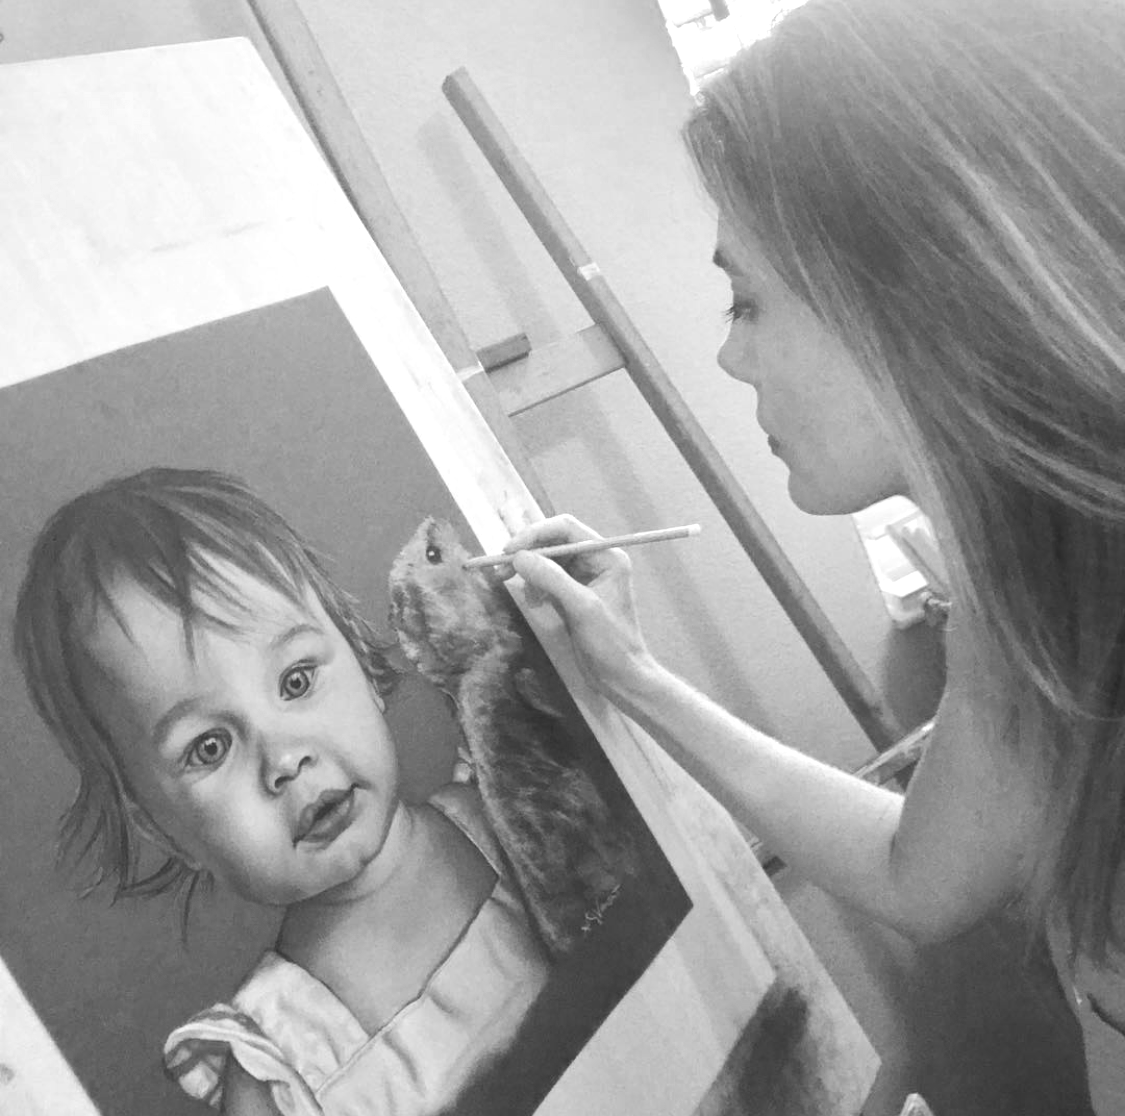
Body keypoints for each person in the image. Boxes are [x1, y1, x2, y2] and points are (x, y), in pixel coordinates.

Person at [499, 0, 1125, 1111]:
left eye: (746, 298)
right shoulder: (1028, 610)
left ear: (925, 297)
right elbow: (918, 875)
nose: (729, 355)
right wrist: (633, 678)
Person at [13, 468, 550, 1116]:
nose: (285, 760)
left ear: (359, 659)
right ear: (161, 830)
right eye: (210, 747)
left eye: (296, 681)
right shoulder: (276, 1071)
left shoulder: (512, 814)